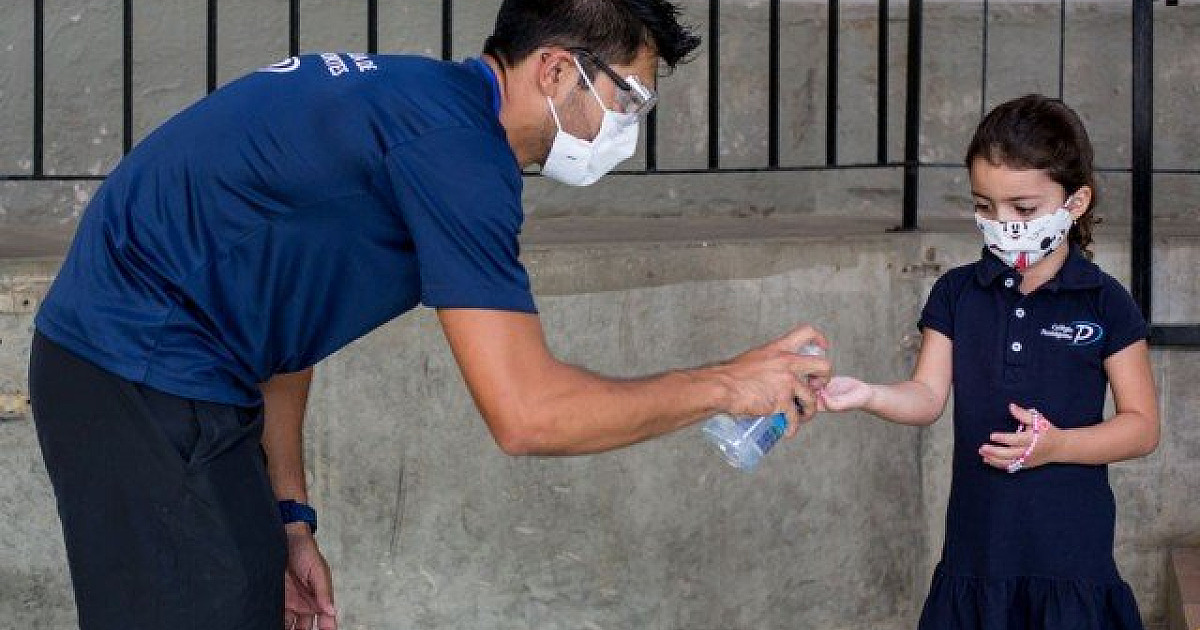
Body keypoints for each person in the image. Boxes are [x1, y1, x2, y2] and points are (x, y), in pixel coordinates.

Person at [27, 1, 832, 629]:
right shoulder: (458, 156)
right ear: (556, 69)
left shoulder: (417, 103)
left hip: (154, 370)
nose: (628, 128)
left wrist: (290, 519)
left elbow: (285, 321)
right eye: (628, 97)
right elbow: (528, 415)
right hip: (137, 371)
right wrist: (728, 385)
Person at [819, 94, 1159, 629]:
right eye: (984, 207)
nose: (1003, 224)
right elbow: (927, 396)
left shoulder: (1105, 302)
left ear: (1076, 202)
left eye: (1023, 209)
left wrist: (1059, 446)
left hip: (1070, 563)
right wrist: (869, 394)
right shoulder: (958, 293)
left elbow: (1142, 428)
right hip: (978, 560)